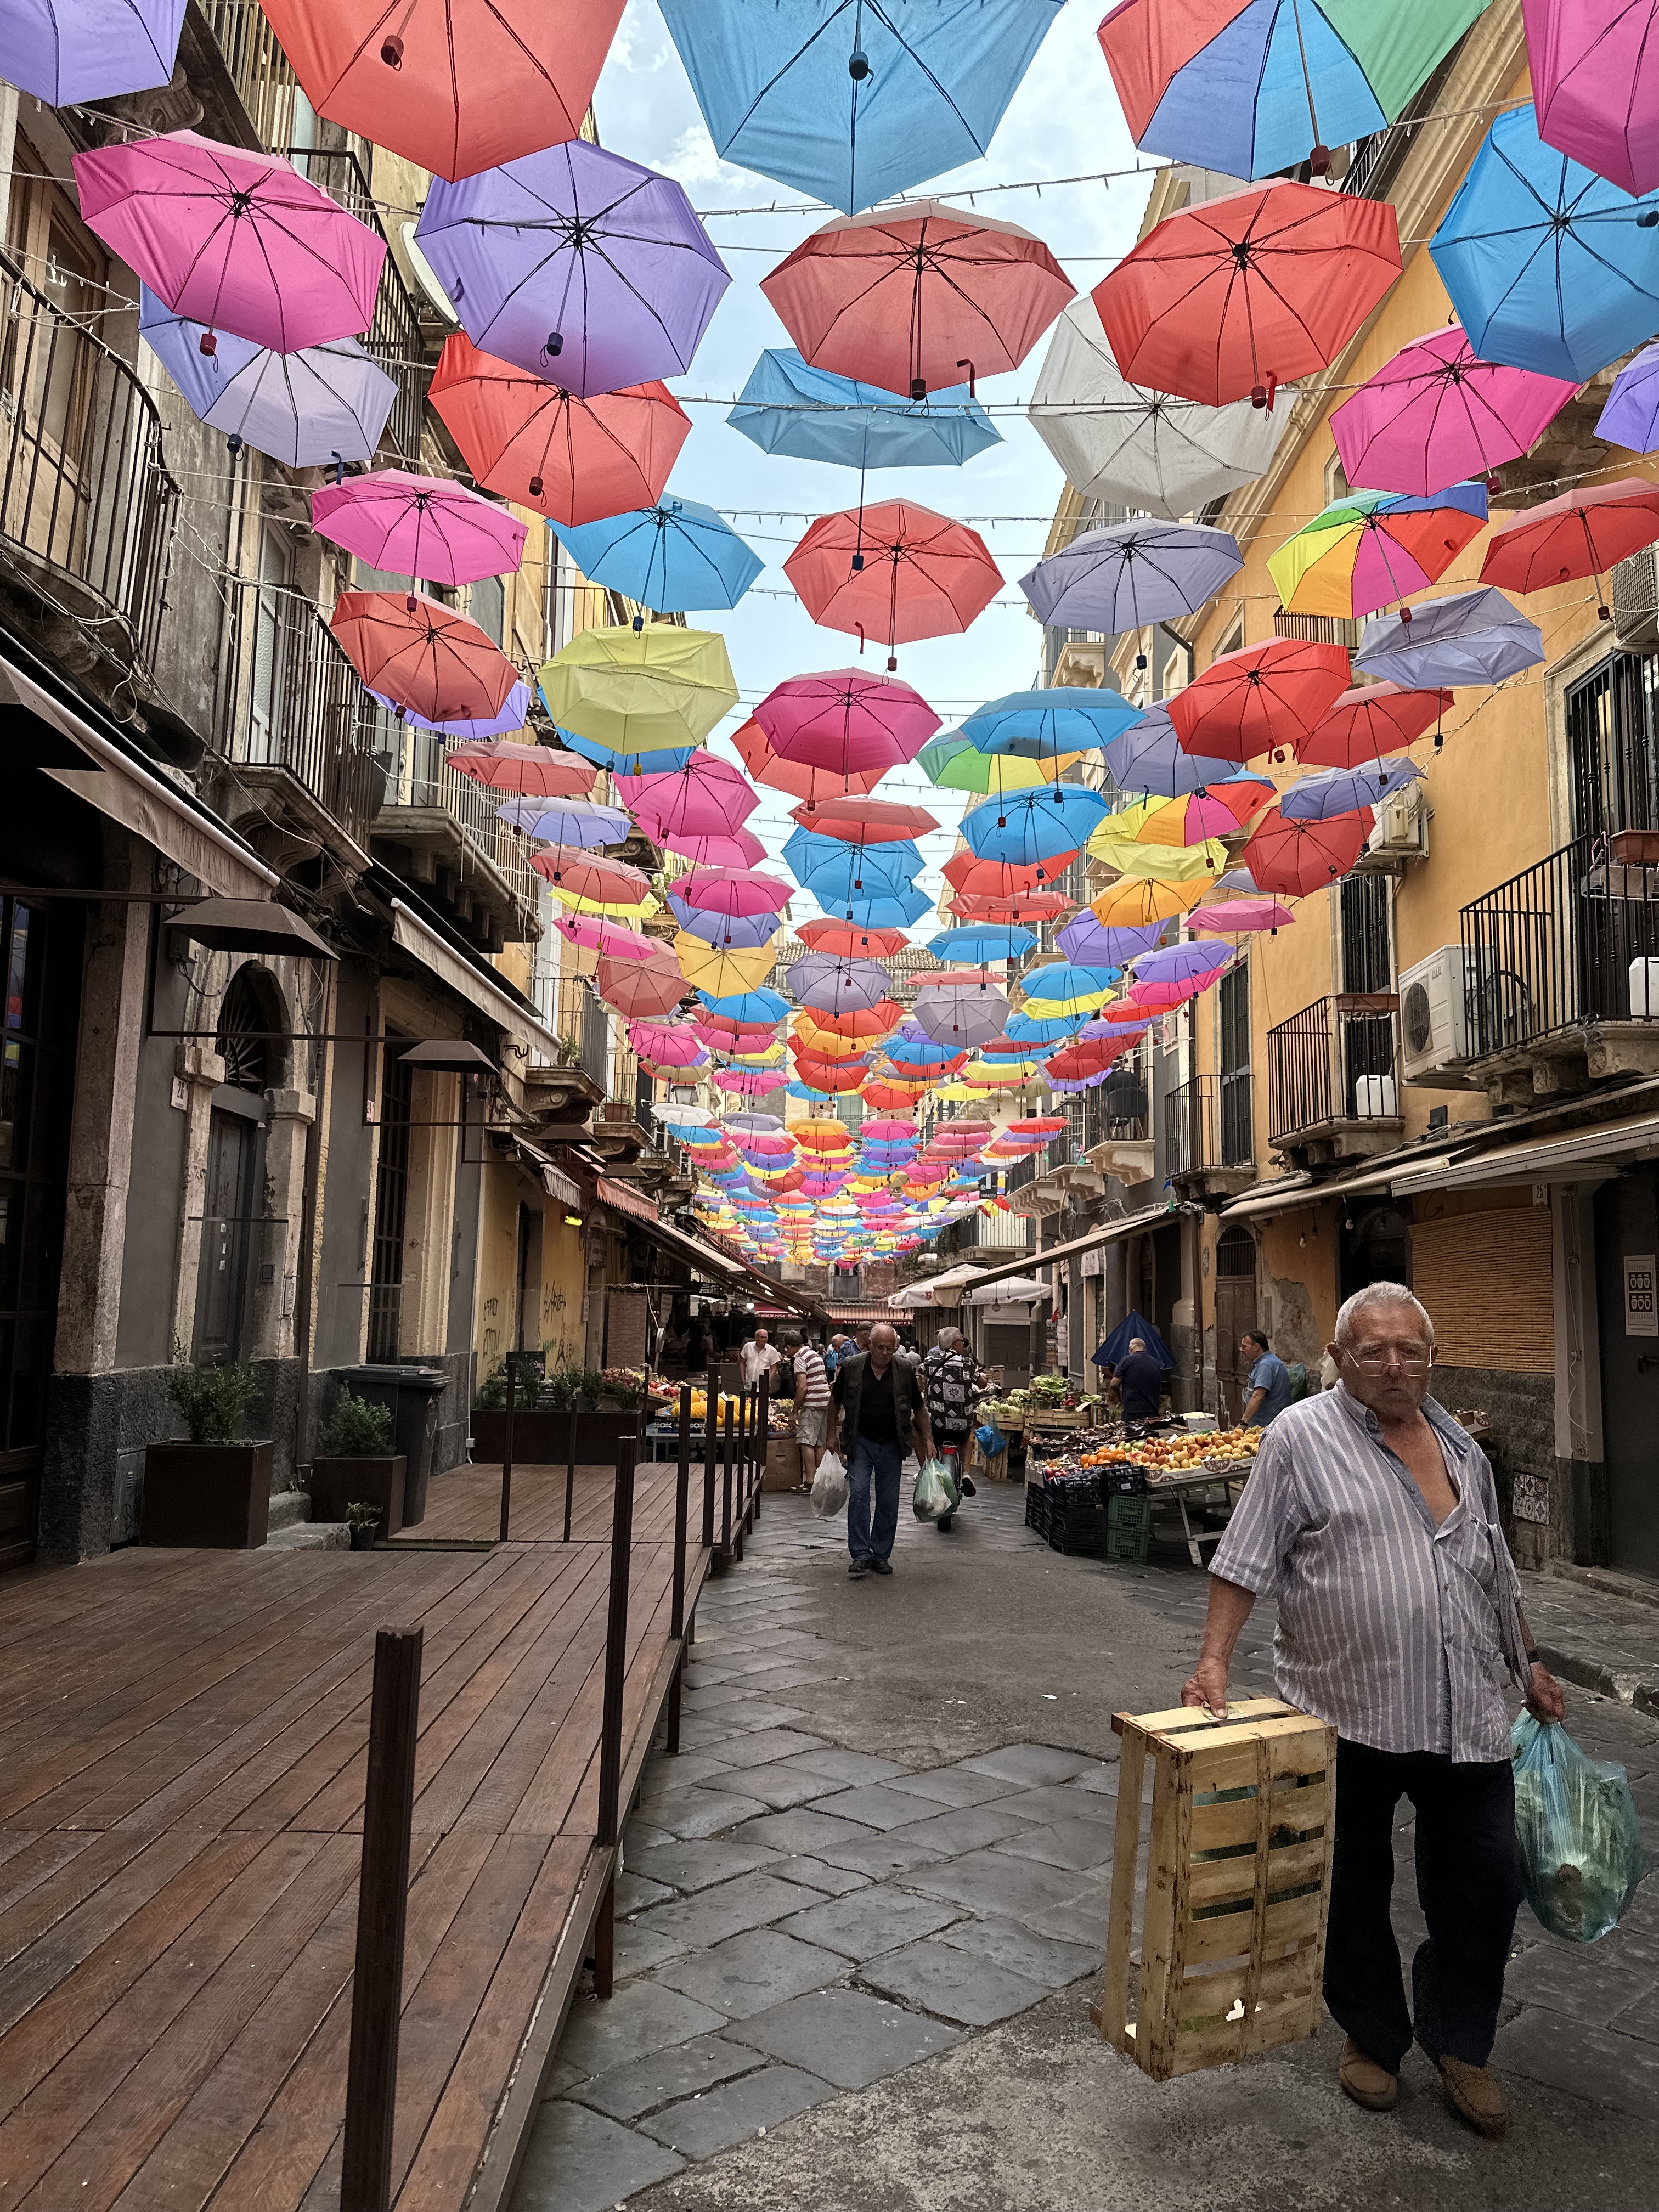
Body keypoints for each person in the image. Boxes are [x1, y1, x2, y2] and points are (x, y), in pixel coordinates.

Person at [1182, 1282, 1565, 2140]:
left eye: (1409, 1350)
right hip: (1344, 1708)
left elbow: (1496, 1573)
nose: (1394, 1365)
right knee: (1350, 1886)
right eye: (1374, 1351)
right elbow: (1244, 1558)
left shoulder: (1462, 1447)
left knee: (1486, 1884)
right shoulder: (1298, 1438)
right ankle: (1373, 2035)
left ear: (1432, 1357)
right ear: (1340, 1357)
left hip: (1466, 1711)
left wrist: (1530, 1662)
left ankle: (1460, 2041)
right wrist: (1213, 1661)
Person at [829, 1321, 934, 1579]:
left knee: (888, 1500)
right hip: (861, 1441)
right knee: (859, 1494)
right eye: (880, 1348)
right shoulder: (853, 1367)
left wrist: (929, 1440)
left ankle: (881, 1554)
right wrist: (830, 1434)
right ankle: (860, 1554)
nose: (885, 1353)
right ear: (870, 1344)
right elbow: (835, 1402)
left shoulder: (904, 1369)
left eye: (890, 1348)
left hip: (892, 1443)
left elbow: (919, 1408)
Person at [923, 1326, 981, 1496]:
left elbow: (920, 1373)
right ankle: (966, 1473)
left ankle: (924, 1469)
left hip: (937, 1424)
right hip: (961, 1425)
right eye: (963, 1341)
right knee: (967, 1438)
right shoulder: (967, 1363)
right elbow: (983, 1384)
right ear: (955, 1344)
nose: (964, 1345)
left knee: (919, 1430)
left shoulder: (930, 1361)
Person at [785, 1328, 830, 1485]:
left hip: (812, 1403)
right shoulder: (814, 1354)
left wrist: (794, 1411)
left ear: (789, 1347)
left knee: (806, 1441)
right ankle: (819, 1480)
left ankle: (810, 1481)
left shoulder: (800, 1358)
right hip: (825, 1401)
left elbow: (802, 1387)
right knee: (820, 1442)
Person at [1240, 1328, 1294, 1426]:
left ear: (1256, 1347)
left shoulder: (1266, 1365)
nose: (1241, 1350)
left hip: (1267, 1425)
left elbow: (1258, 1396)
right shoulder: (1264, 1362)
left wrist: (1243, 1423)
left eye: (1244, 1346)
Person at [1113, 1335, 1165, 1423]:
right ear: (1144, 1349)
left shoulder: (1126, 1361)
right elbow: (1159, 1386)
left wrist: (1118, 1396)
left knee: (1131, 1431)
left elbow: (1114, 1384)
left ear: (1131, 1348)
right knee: (1149, 1431)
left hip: (1132, 1410)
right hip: (1152, 1410)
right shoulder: (1154, 1362)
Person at [740, 1325, 780, 1390]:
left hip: (763, 1387)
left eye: (766, 1338)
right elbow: (742, 1363)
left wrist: (768, 1382)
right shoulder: (748, 1346)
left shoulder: (772, 1351)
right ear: (756, 1337)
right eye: (762, 1337)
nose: (764, 1340)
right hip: (748, 1384)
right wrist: (743, 1380)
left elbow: (774, 1369)